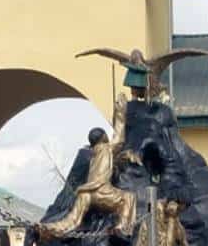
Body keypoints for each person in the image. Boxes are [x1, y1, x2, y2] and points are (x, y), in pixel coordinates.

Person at [37, 100, 139, 238]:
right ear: (103, 138)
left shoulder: (92, 155)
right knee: (129, 197)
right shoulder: (106, 148)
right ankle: (122, 229)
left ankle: (45, 229)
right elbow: (120, 140)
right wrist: (120, 113)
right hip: (102, 192)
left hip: (85, 193)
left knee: (71, 221)